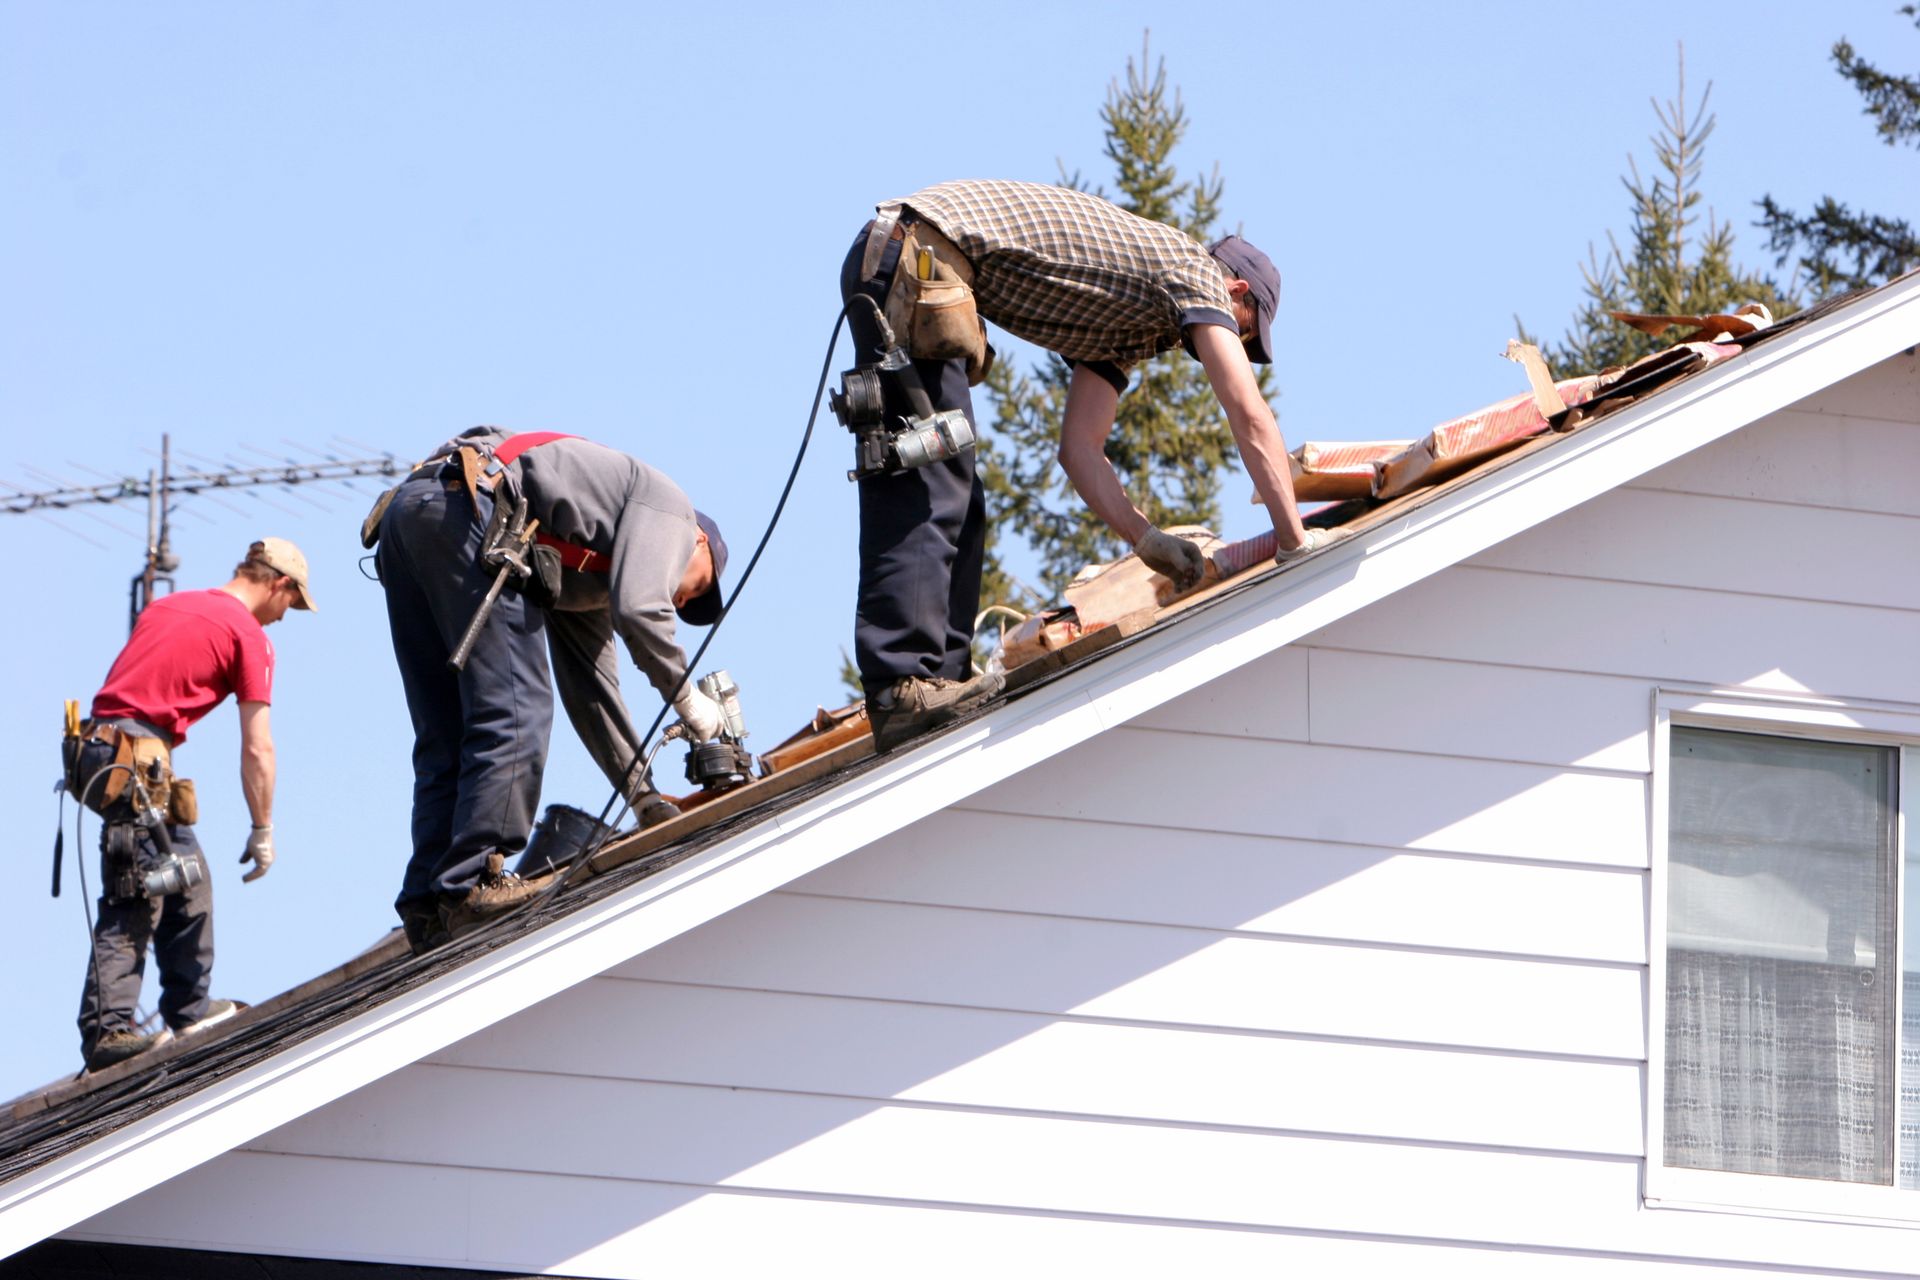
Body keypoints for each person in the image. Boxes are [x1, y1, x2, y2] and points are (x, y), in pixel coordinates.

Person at [840, 178, 1334, 752]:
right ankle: (903, 688)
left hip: (920, 260)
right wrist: (1294, 541)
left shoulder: (1127, 327)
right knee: (928, 473)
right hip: (915, 254)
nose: (1233, 345)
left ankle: (938, 682)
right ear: (1236, 290)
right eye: (1244, 330)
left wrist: (1145, 538)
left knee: (958, 492)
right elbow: (1249, 414)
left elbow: (1079, 449)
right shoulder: (1194, 271)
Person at [374, 428, 727, 954]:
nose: (679, 598)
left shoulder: (587, 571)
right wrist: (687, 699)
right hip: (469, 506)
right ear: (698, 539)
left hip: (415, 514)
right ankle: (473, 883)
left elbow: (592, 690)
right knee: (517, 710)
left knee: (449, 730)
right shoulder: (672, 510)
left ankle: (429, 904)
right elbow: (641, 611)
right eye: (696, 584)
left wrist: (644, 797)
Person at [68, 538, 314, 1071]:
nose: (283, 619)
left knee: (187, 875)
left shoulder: (169, 606)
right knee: (138, 891)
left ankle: (189, 1008)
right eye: (289, 605)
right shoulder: (246, 634)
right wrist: (262, 827)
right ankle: (108, 1032)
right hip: (134, 759)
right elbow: (258, 746)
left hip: (101, 749)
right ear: (280, 583)